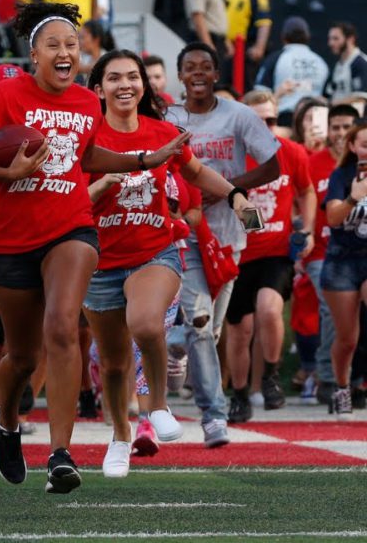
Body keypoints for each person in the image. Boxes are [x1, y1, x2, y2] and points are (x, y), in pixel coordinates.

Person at [0, 1, 185, 493]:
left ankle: (60, 454)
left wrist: (141, 158)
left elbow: (87, 154)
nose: (64, 52)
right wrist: (5, 174)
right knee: (23, 357)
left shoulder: (82, 101)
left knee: (62, 326)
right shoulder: (3, 96)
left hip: (71, 228)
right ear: (33, 53)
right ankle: (6, 421)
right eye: (53, 44)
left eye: (72, 45)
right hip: (11, 240)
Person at [84, 49, 256, 477]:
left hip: (155, 251)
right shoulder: (87, 139)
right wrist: (101, 185)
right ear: (99, 88)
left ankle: (158, 404)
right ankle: (121, 437)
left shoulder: (164, 131)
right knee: (114, 362)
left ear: (144, 85)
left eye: (132, 77)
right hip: (99, 261)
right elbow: (67, 202)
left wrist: (234, 195)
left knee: (145, 324)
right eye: (114, 77)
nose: (125, 84)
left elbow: (195, 173)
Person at [165, 41, 280, 447]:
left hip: (230, 233)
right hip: (184, 234)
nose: (197, 73)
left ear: (216, 75)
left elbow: (273, 164)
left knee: (208, 332)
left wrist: (230, 189)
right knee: (199, 322)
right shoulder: (168, 117)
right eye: (189, 67)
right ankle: (214, 416)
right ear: (180, 76)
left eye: (205, 67)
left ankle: (175, 343)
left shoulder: (240, 115)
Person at [223, 90, 316, 423]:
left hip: (276, 252)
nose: (265, 126)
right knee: (240, 330)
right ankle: (239, 394)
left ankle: (271, 376)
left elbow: (306, 191)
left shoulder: (291, 152)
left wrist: (306, 229)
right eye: (257, 120)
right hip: (236, 252)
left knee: (268, 308)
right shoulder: (230, 156)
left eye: (271, 120)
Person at [308, 104, 359, 406]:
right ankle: (330, 380)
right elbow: (304, 204)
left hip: (361, 255)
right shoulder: (320, 165)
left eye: (345, 127)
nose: (339, 133)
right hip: (324, 253)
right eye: (335, 127)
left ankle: (354, 380)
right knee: (336, 319)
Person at [321, 123, 367, 419]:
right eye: (364, 144)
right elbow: (333, 218)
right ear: (352, 147)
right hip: (342, 259)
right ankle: (341, 387)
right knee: (348, 337)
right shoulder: (341, 176)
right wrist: (355, 196)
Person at [254, 17, 329, 128]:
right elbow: (327, 97)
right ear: (307, 36)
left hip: (285, 120)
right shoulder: (321, 62)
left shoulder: (275, 59)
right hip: (316, 120)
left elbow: (259, 97)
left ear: (284, 37)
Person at [224, 0, 271, 92]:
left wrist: (259, 47)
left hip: (246, 49)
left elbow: (264, 21)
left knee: (245, 88)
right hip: (229, 49)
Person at [324, 22, 367, 100]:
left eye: (335, 38)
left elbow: (361, 98)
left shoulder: (361, 63)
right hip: (336, 111)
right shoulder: (338, 65)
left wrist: (333, 105)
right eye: (330, 39)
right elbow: (328, 93)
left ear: (350, 39)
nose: (330, 43)